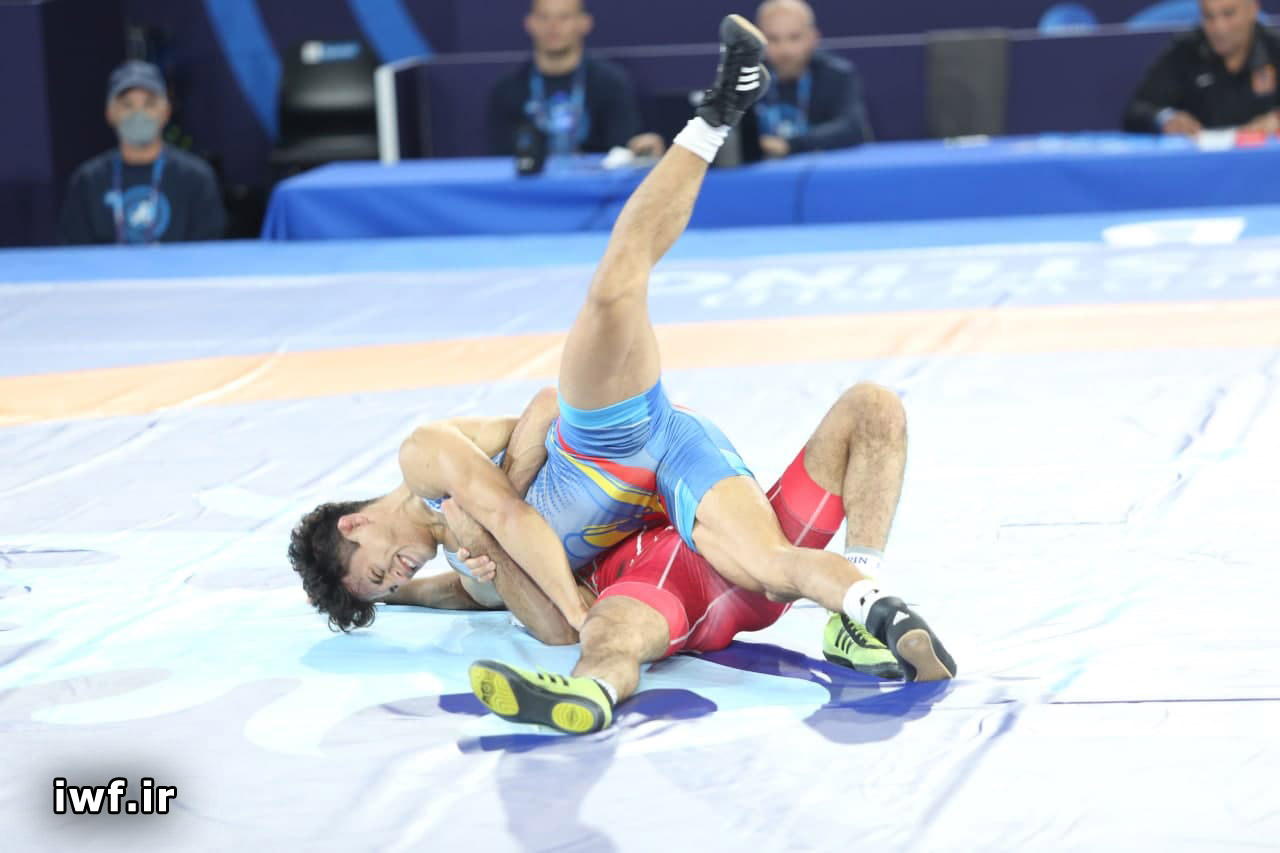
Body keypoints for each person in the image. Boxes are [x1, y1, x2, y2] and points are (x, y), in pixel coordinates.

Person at [289, 15, 953, 695]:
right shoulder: (465, 565)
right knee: (769, 564)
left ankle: (715, 115)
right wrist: (411, 590)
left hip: (608, 444)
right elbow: (460, 588)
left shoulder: (425, 459)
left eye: (378, 570)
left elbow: (532, 445)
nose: (396, 574)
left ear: (356, 522)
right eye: (385, 585)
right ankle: (871, 610)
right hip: (665, 488)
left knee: (614, 289)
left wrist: (566, 596)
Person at [442, 381, 911, 734]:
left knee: (873, 405)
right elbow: (473, 595)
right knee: (611, 633)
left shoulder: (580, 470)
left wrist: (501, 502)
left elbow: (554, 402)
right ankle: (593, 691)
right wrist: (478, 541)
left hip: (734, 538)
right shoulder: (541, 560)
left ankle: (857, 612)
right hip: (665, 590)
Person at [57, 61, 226, 246]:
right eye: (127, 105)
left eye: (149, 104)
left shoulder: (196, 178)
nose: (139, 114)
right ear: (110, 113)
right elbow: (74, 255)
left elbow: (208, 254)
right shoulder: (88, 181)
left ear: (166, 112)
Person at [487, 0, 665, 159]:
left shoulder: (611, 84)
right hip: (530, 184)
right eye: (544, 17)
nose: (553, 25)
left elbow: (623, 152)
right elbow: (499, 161)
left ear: (585, 23)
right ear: (530, 23)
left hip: (596, 184)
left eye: (564, 17)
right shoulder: (507, 90)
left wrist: (642, 152)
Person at [1124, 0, 1280, 135]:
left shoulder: (1275, 47)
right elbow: (1137, 110)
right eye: (1208, 16)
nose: (1219, 28)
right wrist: (1167, 119)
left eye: (1229, 14)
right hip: (1200, 157)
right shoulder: (1185, 51)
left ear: (1253, 9)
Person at [752, 0, 872, 158]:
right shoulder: (746, 79)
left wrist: (789, 145)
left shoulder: (837, 75)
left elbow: (852, 128)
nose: (784, 50)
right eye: (773, 39)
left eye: (794, 38)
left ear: (813, 38)